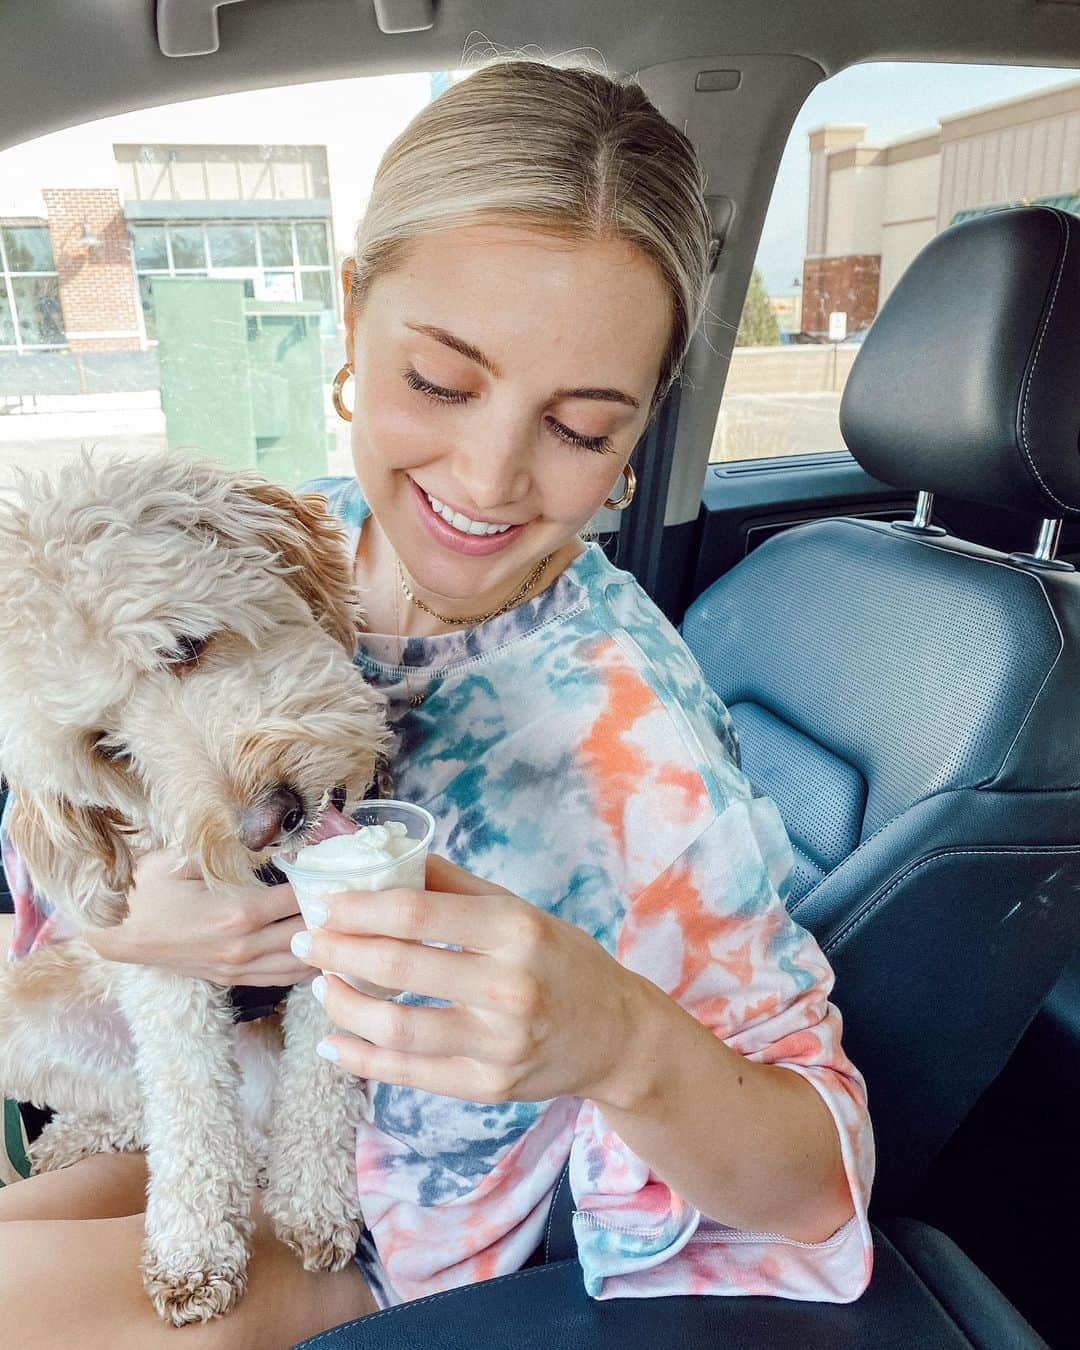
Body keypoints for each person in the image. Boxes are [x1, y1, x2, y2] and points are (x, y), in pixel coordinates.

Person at [0, 55, 874, 1348]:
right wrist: (140, 930)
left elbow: (820, 1176)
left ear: (638, 441)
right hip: (224, 1105)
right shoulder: (310, 541)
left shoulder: (635, 746)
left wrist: (619, 1039)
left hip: (393, 1249)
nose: (485, 475)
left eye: (580, 428)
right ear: (352, 317)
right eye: (442, 383)